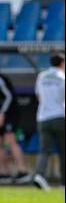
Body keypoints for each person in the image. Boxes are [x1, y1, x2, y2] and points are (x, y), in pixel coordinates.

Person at [0, 69, 30, 184]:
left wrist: (2, 113)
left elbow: (9, 96)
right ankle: (4, 173)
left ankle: (23, 171)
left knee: (10, 140)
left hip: (9, 114)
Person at [33, 52, 65, 191]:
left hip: (43, 117)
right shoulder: (62, 77)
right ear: (62, 63)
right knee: (63, 151)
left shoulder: (41, 76)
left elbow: (39, 96)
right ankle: (63, 183)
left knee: (44, 150)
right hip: (59, 117)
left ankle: (39, 175)